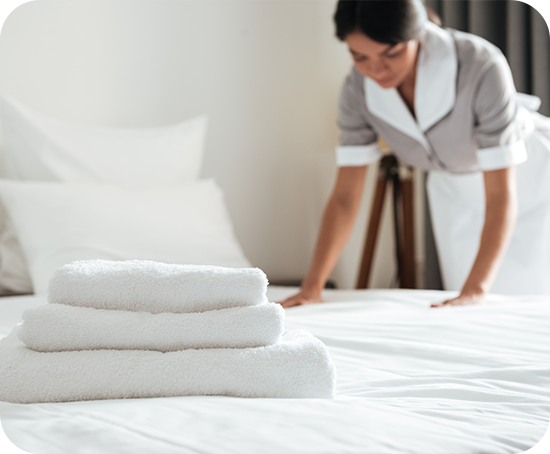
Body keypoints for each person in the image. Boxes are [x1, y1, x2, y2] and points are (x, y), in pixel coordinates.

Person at [280, 0, 550, 309]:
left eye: (390, 53)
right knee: (467, 311)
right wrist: (312, 287)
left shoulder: (480, 65)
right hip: (453, 190)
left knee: (531, 301)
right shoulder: (356, 92)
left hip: (528, 185)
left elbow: (501, 194)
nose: (375, 69)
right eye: (359, 56)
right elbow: (345, 198)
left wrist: (476, 288)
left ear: (418, 33)